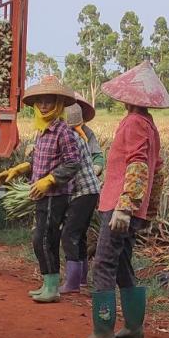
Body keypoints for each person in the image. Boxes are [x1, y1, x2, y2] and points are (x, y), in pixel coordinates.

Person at [74, 61, 169, 338]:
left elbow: (139, 165)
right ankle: (133, 327)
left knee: (104, 262)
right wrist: (146, 210)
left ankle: (102, 331)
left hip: (119, 205)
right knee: (122, 263)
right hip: (131, 207)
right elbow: (159, 170)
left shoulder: (132, 123)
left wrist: (125, 207)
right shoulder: (148, 125)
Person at [0, 79, 81, 302]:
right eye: (40, 102)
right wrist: (19, 169)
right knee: (43, 239)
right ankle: (48, 283)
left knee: (43, 238)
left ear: (58, 103)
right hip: (41, 194)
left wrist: (50, 180)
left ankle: (52, 288)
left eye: (48, 102)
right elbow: (38, 160)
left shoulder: (63, 131)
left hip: (55, 194)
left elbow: (73, 162)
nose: (43, 106)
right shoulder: (42, 130)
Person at [59, 98, 100, 293]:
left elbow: (65, 168)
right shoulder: (80, 136)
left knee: (69, 234)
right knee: (80, 234)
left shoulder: (69, 138)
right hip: (91, 191)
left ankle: (72, 282)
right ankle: (81, 279)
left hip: (82, 192)